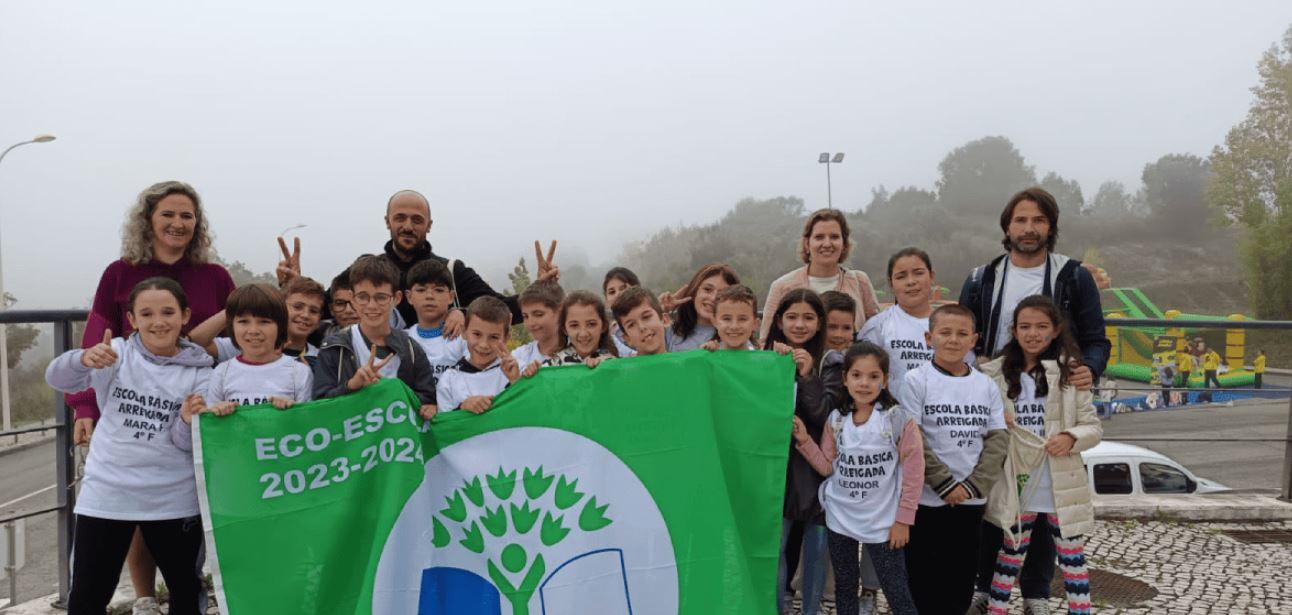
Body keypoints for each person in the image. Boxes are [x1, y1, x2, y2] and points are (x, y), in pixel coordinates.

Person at [71, 181, 234, 614]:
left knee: (180, 562)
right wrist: (85, 405)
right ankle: (144, 599)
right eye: (168, 214)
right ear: (149, 220)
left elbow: (238, 328)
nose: (178, 223)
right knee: (113, 541)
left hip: (186, 410)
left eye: (187, 216)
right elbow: (95, 339)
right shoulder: (120, 272)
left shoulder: (215, 276)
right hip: (126, 415)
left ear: (197, 224)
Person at [958, 187, 1108, 605]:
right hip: (997, 395)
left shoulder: (1073, 276)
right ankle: (984, 586)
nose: (1029, 228)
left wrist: (1087, 370)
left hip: (1052, 399)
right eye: (1020, 220)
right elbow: (965, 337)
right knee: (996, 496)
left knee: (1046, 503)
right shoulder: (981, 278)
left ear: (1051, 227)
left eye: (1038, 220)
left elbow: (1097, 339)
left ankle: (1037, 592)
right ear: (1006, 226)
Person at [45, 278, 213, 615]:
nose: (158, 321)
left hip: (172, 499)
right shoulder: (115, 352)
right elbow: (57, 378)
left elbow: (185, 444)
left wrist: (184, 420)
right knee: (87, 597)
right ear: (132, 319)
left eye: (168, 312)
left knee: (186, 592)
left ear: (185, 316)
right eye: (146, 314)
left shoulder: (202, 373)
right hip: (107, 494)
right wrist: (83, 360)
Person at [975, 296, 1102, 615]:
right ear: (1014, 331)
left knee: (1072, 559)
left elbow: (1092, 426)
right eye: (1025, 326)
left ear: (1056, 329)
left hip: (1060, 482)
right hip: (1018, 479)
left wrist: (1071, 437)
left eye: (1042, 326)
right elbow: (977, 420)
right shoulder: (994, 375)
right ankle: (997, 608)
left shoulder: (1071, 375)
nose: (1033, 333)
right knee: (1009, 554)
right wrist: (993, 421)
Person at [793, 341, 923, 615]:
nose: (864, 383)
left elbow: (914, 474)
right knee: (845, 586)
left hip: (884, 523)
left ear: (885, 380)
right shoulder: (837, 419)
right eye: (856, 375)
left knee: (896, 589)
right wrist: (805, 441)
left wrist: (903, 520)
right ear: (845, 379)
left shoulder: (897, 420)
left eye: (873, 376)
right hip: (841, 519)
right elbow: (828, 467)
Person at [898, 303, 1008, 615]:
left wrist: (973, 486)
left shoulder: (985, 385)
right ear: (928, 336)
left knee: (960, 577)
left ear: (974, 340)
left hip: (970, 501)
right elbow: (913, 438)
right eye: (945, 332)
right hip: (927, 499)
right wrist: (944, 484)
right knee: (922, 577)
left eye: (962, 334)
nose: (953, 340)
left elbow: (997, 439)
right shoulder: (916, 380)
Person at [764, 289, 841, 615]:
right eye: (792, 317)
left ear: (820, 322)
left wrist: (808, 375)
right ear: (779, 321)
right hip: (776, 469)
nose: (799, 324)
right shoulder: (764, 358)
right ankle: (776, 607)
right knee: (775, 548)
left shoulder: (831, 361)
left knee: (815, 552)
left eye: (808, 317)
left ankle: (810, 609)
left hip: (817, 470)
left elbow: (828, 414)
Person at [379, 189, 558, 330]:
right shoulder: (370, 273)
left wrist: (540, 289)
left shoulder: (451, 271)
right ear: (388, 221)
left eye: (417, 220)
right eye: (400, 218)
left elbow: (501, 310)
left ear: (429, 225)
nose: (408, 227)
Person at [312, 256, 438, 420]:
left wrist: (401, 394)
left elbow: (428, 400)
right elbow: (319, 406)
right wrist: (351, 385)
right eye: (363, 297)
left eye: (381, 297)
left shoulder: (412, 349)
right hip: (352, 443)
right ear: (352, 298)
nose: (372, 305)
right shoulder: (334, 347)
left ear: (397, 299)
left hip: (397, 442)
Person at [760, 208, 881, 343]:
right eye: (819, 237)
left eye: (834, 237)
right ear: (807, 244)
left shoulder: (860, 282)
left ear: (844, 244)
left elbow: (876, 335)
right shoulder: (782, 286)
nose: (827, 244)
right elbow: (766, 341)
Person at [192, 284, 313, 415]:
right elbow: (210, 427)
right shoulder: (221, 373)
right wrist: (216, 411)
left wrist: (293, 411)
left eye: (264, 321)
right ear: (231, 326)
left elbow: (308, 424)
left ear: (281, 326)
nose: (253, 331)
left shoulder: (300, 373)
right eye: (244, 321)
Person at [189, 277, 327, 366]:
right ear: (280, 307)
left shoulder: (321, 358)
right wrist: (237, 306)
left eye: (314, 311)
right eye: (298, 307)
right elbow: (195, 343)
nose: (305, 315)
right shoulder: (249, 343)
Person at [859, 247, 937, 405]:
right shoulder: (877, 327)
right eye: (901, 276)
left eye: (918, 273)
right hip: (892, 420)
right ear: (891, 284)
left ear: (932, 276)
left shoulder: (951, 325)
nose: (911, 282)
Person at [436, 296, 522, 412]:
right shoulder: (449, 380)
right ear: (464, 332)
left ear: (507, 338)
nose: (483, 345)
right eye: (477, 334)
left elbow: (530, 413)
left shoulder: (517, 369)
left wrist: (516, 382)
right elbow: (443, 424)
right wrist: (462, 408)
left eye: (494, 337)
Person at [403, 259, 468, 382]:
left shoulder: (465, 338)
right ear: (409, 296)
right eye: (421, 290)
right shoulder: (403, 340)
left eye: (438, 290)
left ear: (451, 297)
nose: (429, 296)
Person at [661, 263, 739, 352]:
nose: (713, 298)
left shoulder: (736, 336)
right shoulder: (670, 332)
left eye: (722, 294)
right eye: (707, 289)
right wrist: (659, 310)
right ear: (695, 291)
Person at [547, 291, 619, 367]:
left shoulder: (613, 363)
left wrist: (612, 367)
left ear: (603, 326)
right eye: (574, 325)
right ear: (564, 329)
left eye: (591, 324)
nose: (583, 334)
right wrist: (534, 372)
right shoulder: (553, 366)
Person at [512, 281, 566, 371]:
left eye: (538, 314)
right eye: (525, 316)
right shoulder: (518, 358)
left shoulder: (582, 352)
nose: (530, 323)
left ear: (559, 312)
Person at [611, 287, 670, 357]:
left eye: (646, 317)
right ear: (627, 338)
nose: (641, 327)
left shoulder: (684, 364)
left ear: (664, 320)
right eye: (631, 325)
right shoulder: (617, 367)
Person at [701, 285, 761, 351]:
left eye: (742, 319)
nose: (734, 326)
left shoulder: (763, 359)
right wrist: (703, 354)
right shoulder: (708, 355)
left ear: (755, 324)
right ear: (714, 322)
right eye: (727, 319)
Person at [602, 267, 641, 356]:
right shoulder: (605, 334)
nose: (618, 294)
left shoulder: (656, 322)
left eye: (623, 288)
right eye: (612, 292)